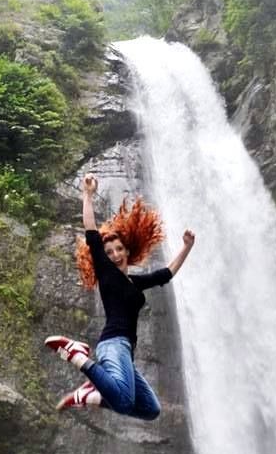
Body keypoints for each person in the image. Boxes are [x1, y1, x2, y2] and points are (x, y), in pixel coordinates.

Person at [44, 173, 195, 418]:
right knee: (124, 402)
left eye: (118, 249)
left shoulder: (135, 282)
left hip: (125, 350)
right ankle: (77, 355)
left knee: (151, 410)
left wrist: (187, 247)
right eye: (110, 252)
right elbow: (92, 234)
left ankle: (88, 395)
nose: (114, 255)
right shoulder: (107, 274)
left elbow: (165, 274)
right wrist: (87, 195)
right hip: (112, 344)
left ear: (127, 251)